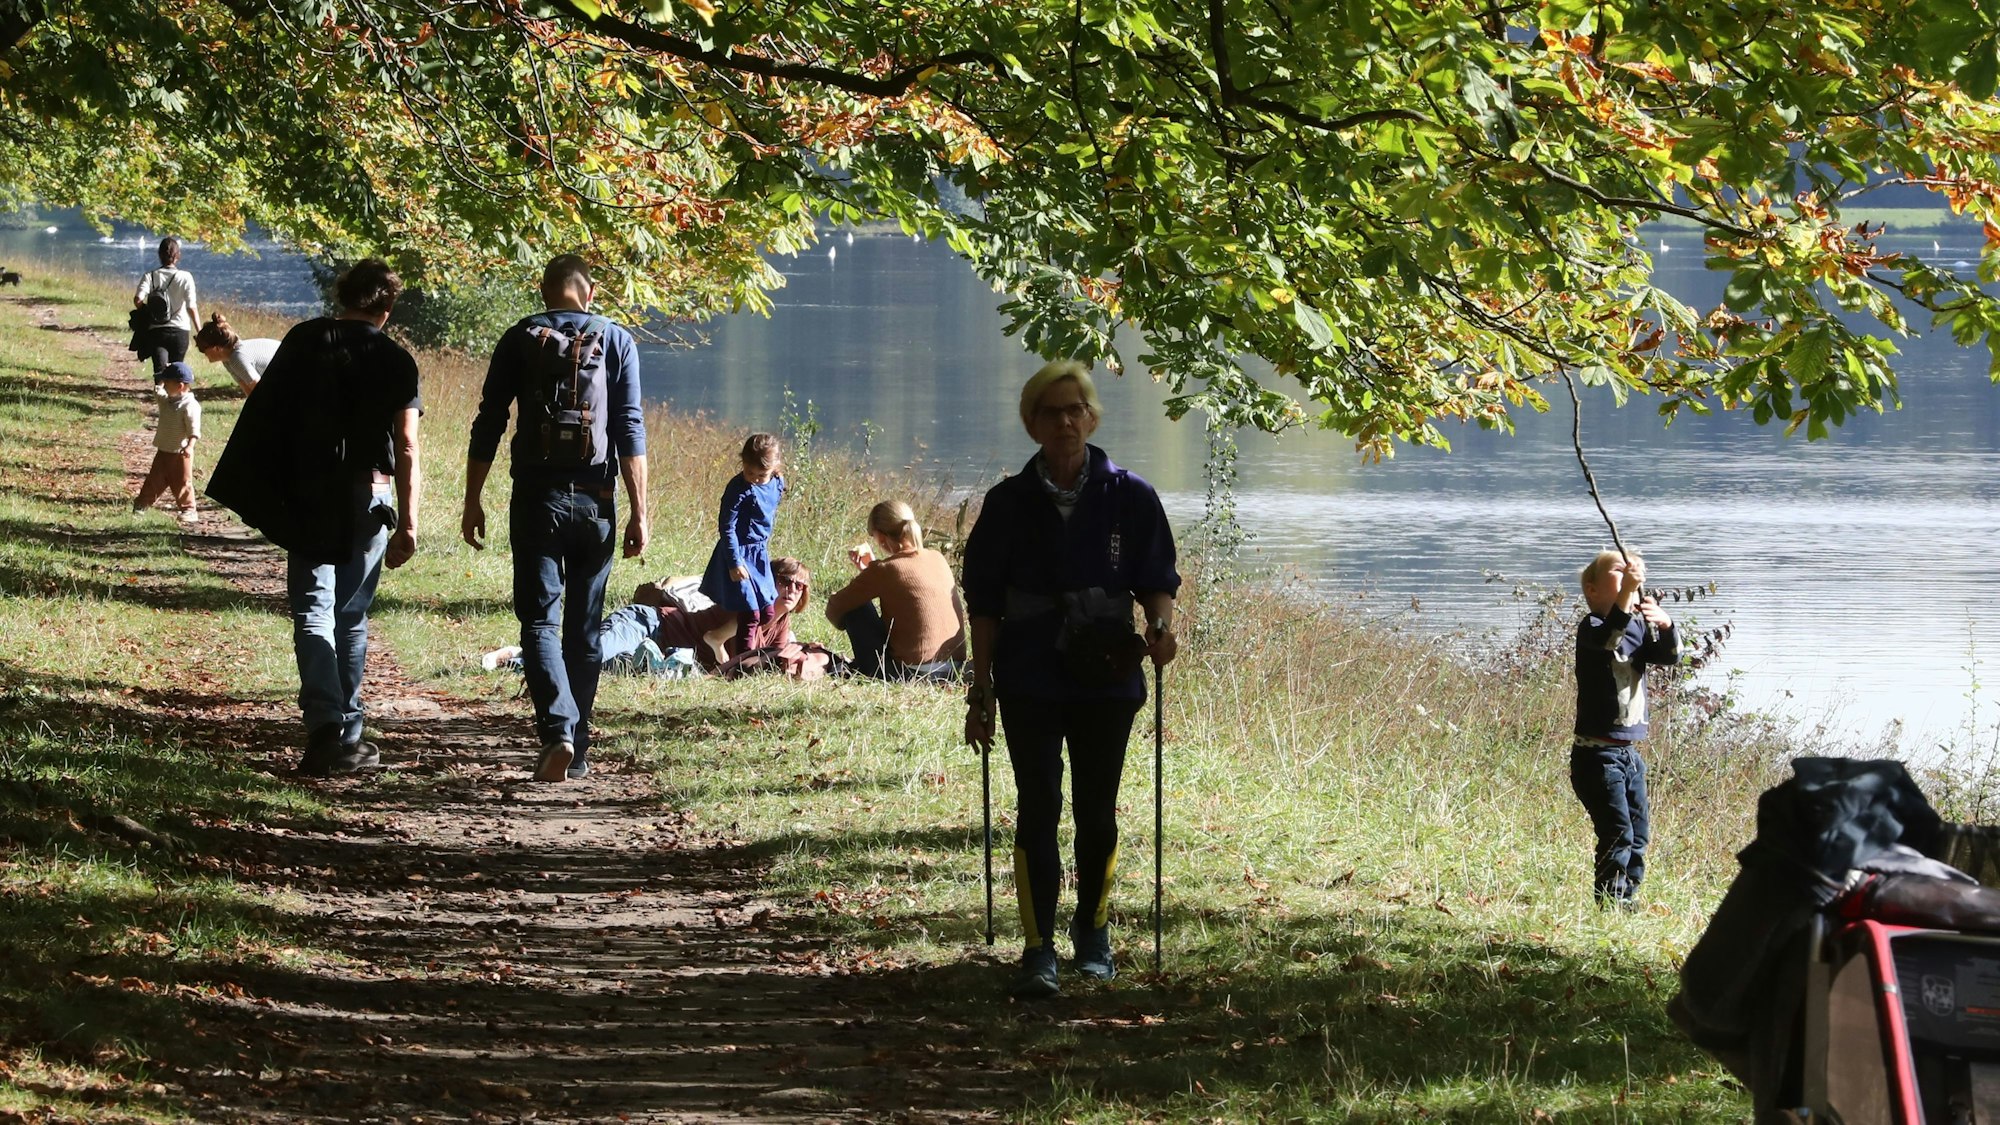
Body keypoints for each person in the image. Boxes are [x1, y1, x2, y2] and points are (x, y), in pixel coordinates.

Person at [961, 360, 1180, 999]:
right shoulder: (1006, 503)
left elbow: (1157, 582)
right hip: (1029, 676)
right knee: (1037, 808)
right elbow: (984, 605)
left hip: (1107, 672)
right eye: (1051, 412)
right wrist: (982, 691)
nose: (1065, 421)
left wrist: (1162, 629)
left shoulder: (1130, 495)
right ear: (1032, 424)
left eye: (1075, 410)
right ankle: (1038, 948)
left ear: (1091, 418)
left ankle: (1094, 934)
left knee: (1096, 809)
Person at [205, 259, 421, 777]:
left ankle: (326, 730)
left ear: (340, 298)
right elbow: (407, 444)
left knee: (313, 610)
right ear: (386, 308)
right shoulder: (396, 359)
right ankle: (347, 732)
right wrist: (410, 522)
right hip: (369, 494)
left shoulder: (305, 339)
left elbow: (266, 411)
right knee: (349, 616)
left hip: (310, 493)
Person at [463, 254, 648, 784]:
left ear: (544, 291)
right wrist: (639, 509)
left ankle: (559, 732)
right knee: (584, 630)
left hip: (536, 499)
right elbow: (630, 428)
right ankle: (580, 751)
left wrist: (472, 498)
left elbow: (489, 422)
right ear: (588, 294)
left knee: (540, 621)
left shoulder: (520, 336)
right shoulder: (617, 340)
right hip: (596, 502)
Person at [1572, 548, 1679, 907]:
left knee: (1638, 833)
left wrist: (1665, 626)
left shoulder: (1634, 627)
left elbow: (1669, 656)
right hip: (1596, 755)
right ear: (1593, 590)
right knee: (1617, 832)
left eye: (1634, 571)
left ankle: (1627, 898)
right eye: (1619, 570)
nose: (1630, 573)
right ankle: (1610, 901)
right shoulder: (1593, 628)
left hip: (1628, 755)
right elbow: (1611, 642)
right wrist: (1629, 592)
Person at [822, 500, 966, 681]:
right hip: (954, 670)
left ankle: (867, 670)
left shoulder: (885, 569)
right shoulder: (937, 558)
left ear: (881, 537)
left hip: (910, 675)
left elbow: (835, 608)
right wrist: (870, 572)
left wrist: (871, 574)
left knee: (856, 608)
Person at [600, 557, 814, 674]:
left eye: (800, 586)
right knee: (588, 659)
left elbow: (768, 660)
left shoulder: (782, 622)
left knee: (611, 669)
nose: (792, 589)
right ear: (767, 581)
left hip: (662, 654)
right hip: (651, 625)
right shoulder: (750, 608)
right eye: (785, 581)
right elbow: (713, 639)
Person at [699, 433, 785, 651]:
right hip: (738, 554)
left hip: (759, 554)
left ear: (774, 467)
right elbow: (727, 527)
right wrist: (734, 562)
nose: (754, 478)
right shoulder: (737, 488)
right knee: (751, 614)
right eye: (749, 472)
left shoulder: (777, 482)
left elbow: (769, 510)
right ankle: (743, 666)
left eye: (761, 475)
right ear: (743, 463)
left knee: (767, 612)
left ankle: (716, 638)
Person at [132, 361, 201, 522]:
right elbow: (158, 391)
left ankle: (189, 510)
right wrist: (164, 375)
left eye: (167, 382)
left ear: (180, 386)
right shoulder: (167, 401)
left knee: (182, 482)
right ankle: (141, 505)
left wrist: (190, 446)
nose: (164, 386)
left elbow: (194, 429)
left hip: (180, 453)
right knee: (154, 479)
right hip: (163, 450)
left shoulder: (190, 406)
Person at [132, 237, 200, 376]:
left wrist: (147, 311)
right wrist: (199, 330)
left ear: (159, 255)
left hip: (157, 331)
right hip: (180, 331)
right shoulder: (185, 277)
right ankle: (175, 397)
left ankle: (160, 395)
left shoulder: (150, 276)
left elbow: (138, 299)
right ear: (178, 255)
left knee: (159, 370)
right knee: (177, 370)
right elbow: (191, 306)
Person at [194, 312, 280, 394]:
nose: (203, 353)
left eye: (203, 349)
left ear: (217, 348)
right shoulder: (227, 360)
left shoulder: (237, 358)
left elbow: (260, 390)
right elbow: (248, 389)